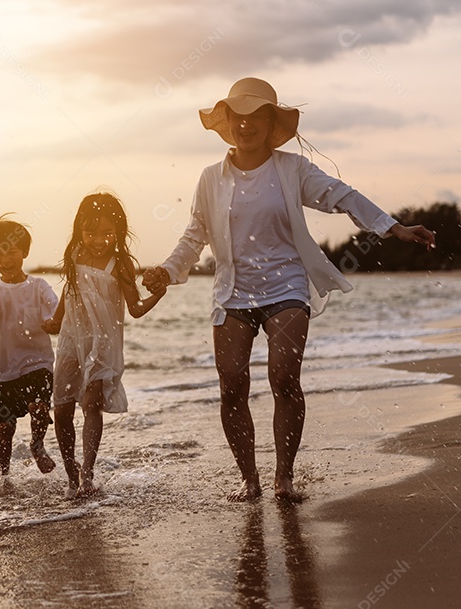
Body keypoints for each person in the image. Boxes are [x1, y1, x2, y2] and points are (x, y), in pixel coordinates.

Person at [141, 77, 436, 503]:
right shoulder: (210, 178)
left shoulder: (292, 169)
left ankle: (284, 476)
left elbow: (342, 195)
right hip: (233, 292)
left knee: (283, 376)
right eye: (238, 116)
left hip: (287, 286)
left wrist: (392, 228)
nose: (246, 125)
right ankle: (249, 478)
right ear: (229, 122)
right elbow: (194, 236)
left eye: (256, 116)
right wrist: (167, 272)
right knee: (231, 383)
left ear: (270, 121)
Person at [43, 192, 166, 497]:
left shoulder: (120, 263)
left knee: (91, 403)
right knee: (61, 408)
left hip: (104, 343)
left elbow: (135, 308)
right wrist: (56, 321)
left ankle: (87, 474)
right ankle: (70, 472)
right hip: (73, 339)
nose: (99, 240)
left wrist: (159, 295)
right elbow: (68, 292)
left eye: (107, 234)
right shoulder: (74, 255)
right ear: (79, 231)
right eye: (91, 233)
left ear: (119, 232)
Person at [0, 214, 60, 477]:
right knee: (5, 428)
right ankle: (3, 478)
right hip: (3, 369)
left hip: (37, 362)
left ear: (25, 252)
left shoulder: (39, 286)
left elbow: (54, 313)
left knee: (40, 408)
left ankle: (37, 444)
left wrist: (54, 323)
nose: (4, 260)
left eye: (11, 252)